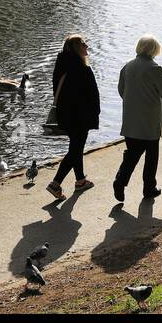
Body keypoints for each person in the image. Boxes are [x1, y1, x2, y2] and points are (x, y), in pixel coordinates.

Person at [113, 35, 162, 202]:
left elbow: (121, 91)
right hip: (149, 122)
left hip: (131, 121)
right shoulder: (155, 69)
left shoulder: (127, 67)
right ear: (154, 50)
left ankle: (120, 181)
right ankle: (149, 188)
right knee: (151, 156)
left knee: (132, 154)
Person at [46, 34, 100, 200]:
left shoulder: (61, 66)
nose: (87, 47)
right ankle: (56, 183)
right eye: (84, 44)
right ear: (78, 48)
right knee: (75, 149)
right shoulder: (82, 68)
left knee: (76, 146)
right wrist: (95, 112)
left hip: (65, 114)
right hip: (80, 116)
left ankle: (80, 180)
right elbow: (92, 94)